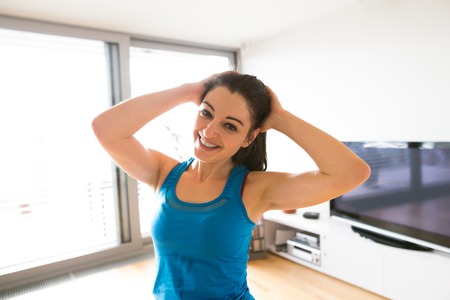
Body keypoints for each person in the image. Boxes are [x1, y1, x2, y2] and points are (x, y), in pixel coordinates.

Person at [92, 71, 371, 299]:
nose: (209, 131)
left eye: (230, 126)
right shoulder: (164, 173)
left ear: (248, 138)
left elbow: (352, 173)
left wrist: (280, 119)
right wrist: (189, 91)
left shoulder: (253, 189)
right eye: (206, 113)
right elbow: (106, 128)